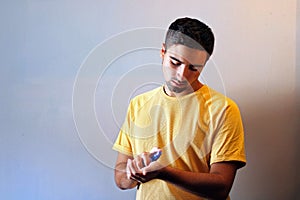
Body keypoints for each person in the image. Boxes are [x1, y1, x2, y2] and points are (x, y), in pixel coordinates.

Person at [113, 17, 246, 200]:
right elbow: (120, 178)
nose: (182, 75)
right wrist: (134, 172)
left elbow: (221, 186)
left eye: (194, 68)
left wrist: (163, 172)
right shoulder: (139, 104)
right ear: (162, 52)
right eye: (175, 62)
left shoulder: (223, 110)